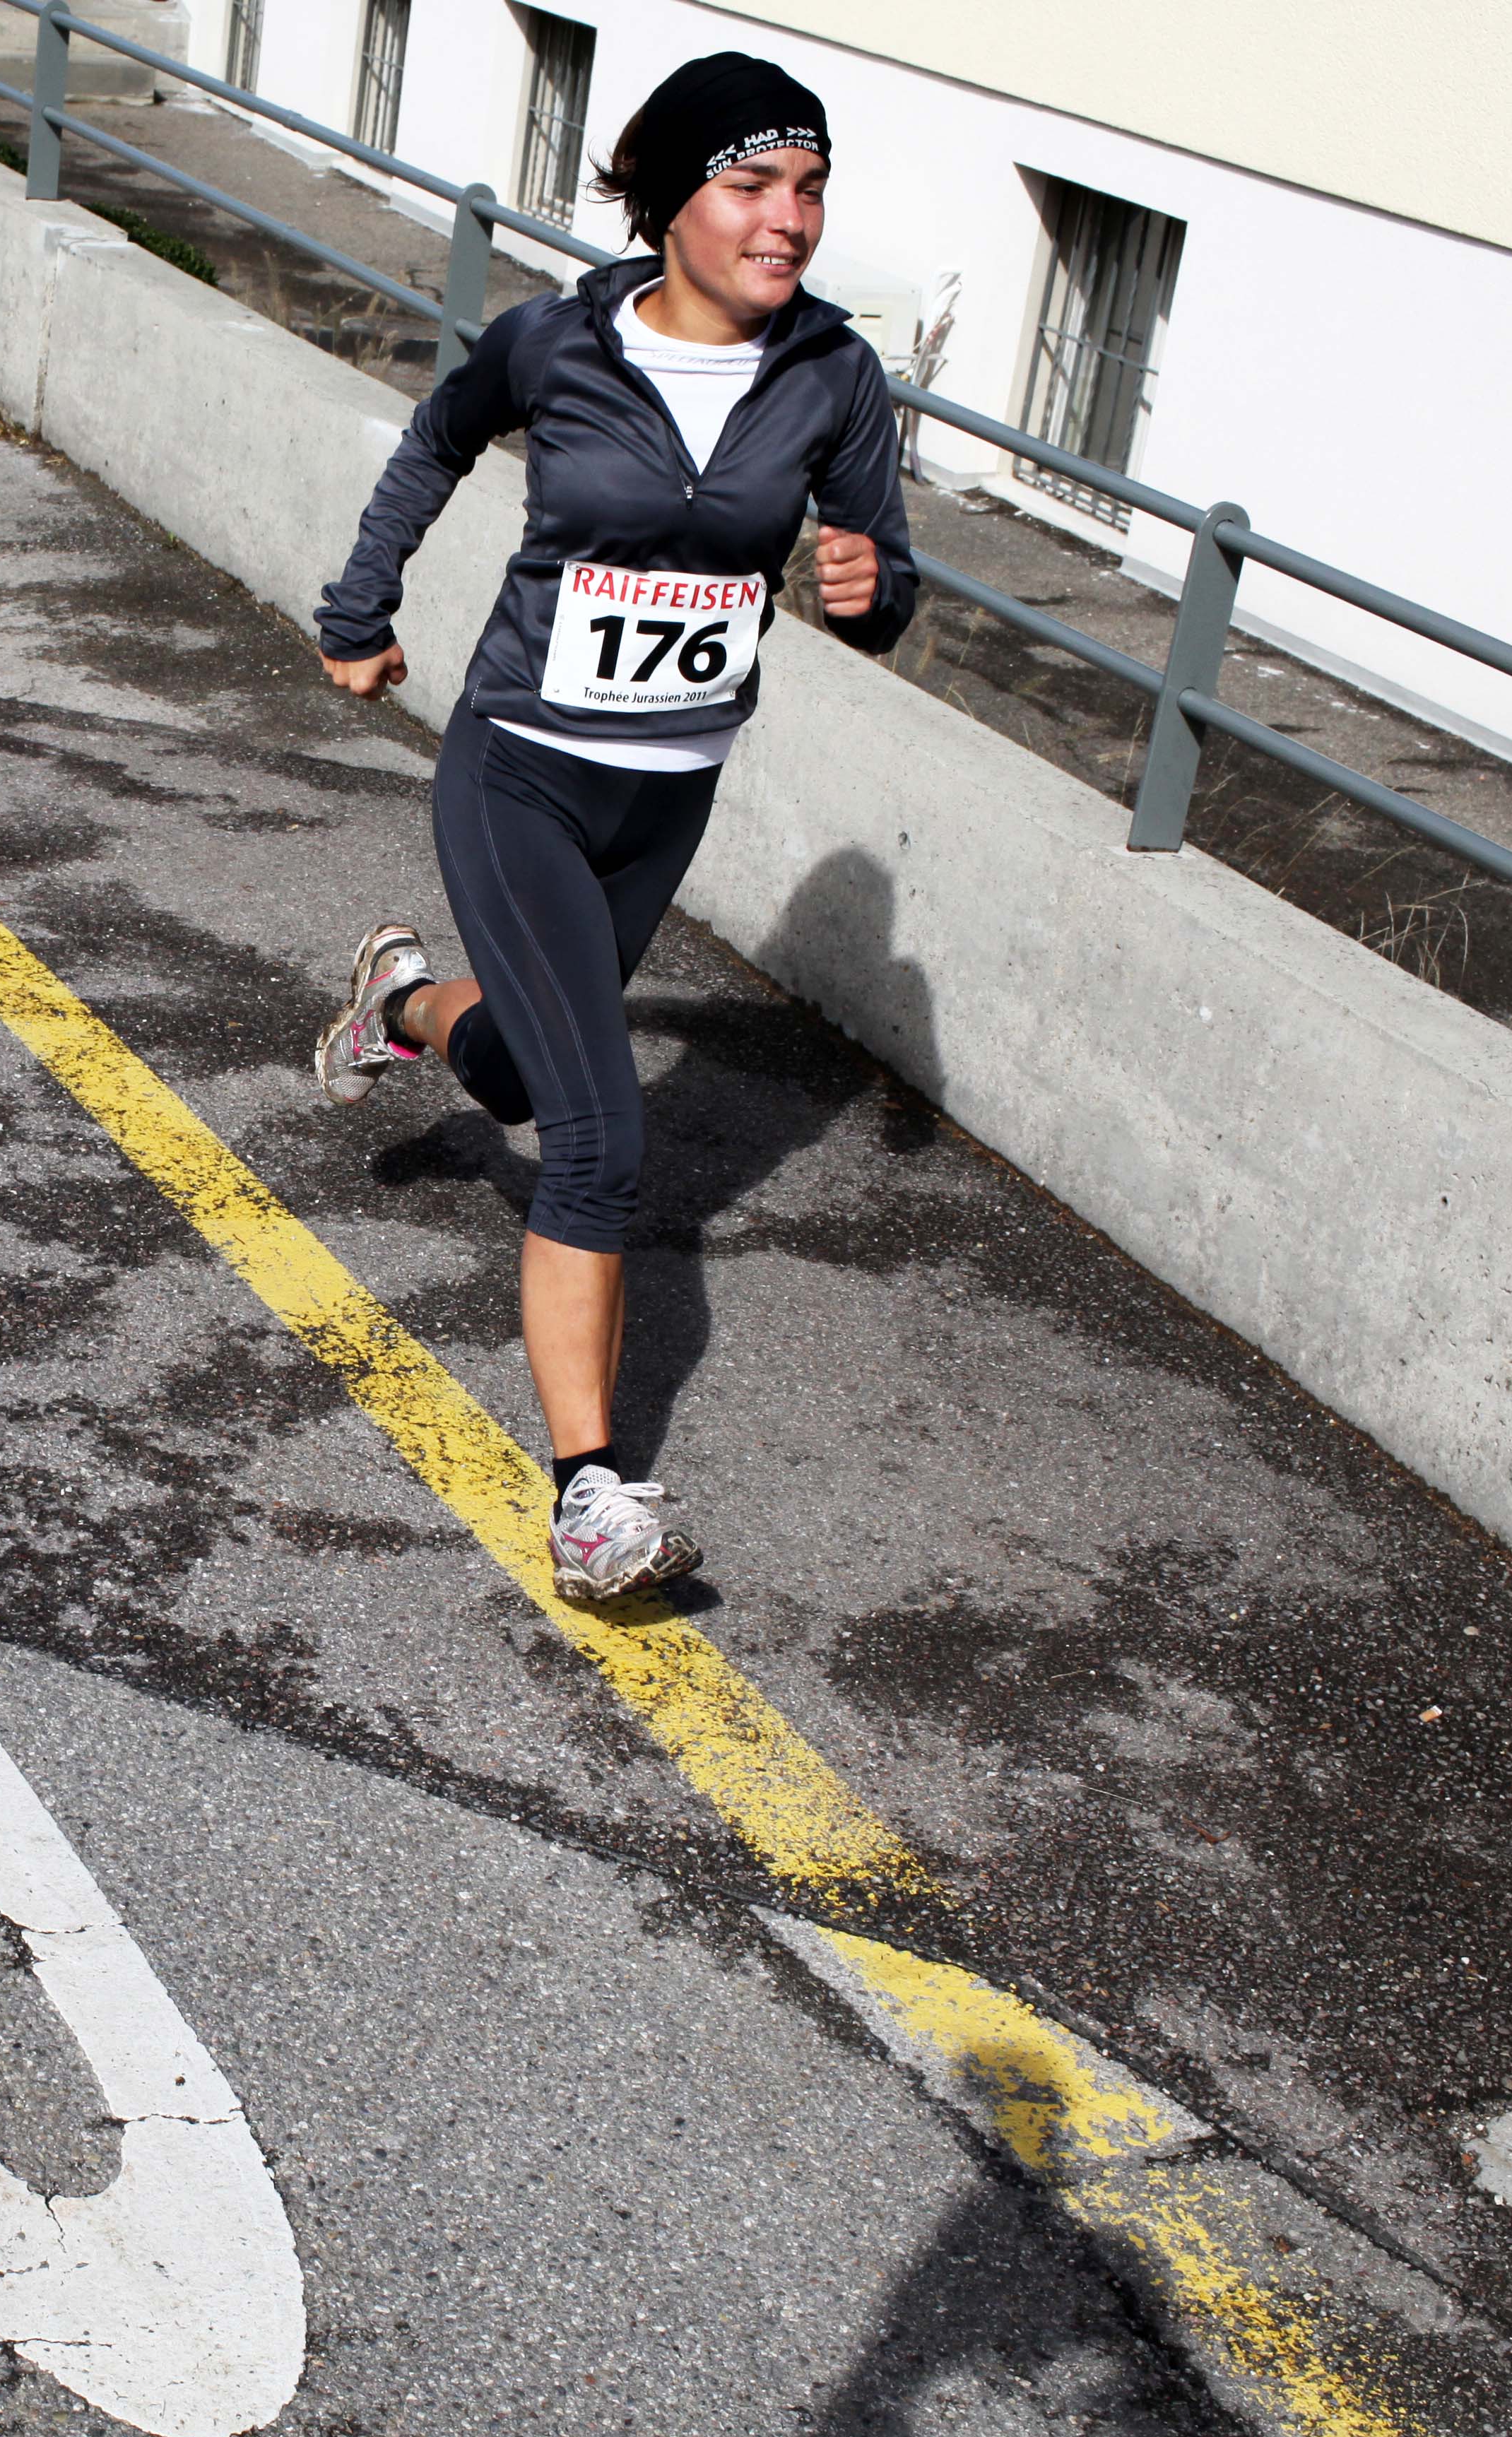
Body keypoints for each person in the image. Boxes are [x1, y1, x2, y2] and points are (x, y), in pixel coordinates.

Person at [306, 52, 918, 1603]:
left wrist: (869, 594)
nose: (790, 220)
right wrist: (359, 609)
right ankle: (591, 1501)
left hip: (667, 794)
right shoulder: (557, 343)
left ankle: (405, 1002)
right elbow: (435, 442)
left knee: (521, 1074)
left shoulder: (835, 375)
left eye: (811, 189)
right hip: (520, 770)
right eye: (753, 184)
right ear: (673, 202)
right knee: (597, 1138)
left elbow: (884, 580)